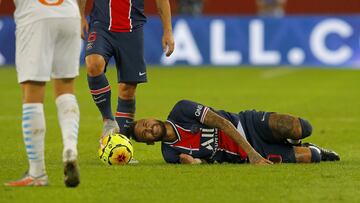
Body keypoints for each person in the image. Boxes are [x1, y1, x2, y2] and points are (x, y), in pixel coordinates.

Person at [5, 0, 86, 187]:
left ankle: (37, 173)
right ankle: (70, 147)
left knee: (32, 92)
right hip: (69, 13)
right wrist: (80, 14)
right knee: (66, 88)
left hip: (35, 15)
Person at [129, 100, 340, 164]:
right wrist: (194, 163)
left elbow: (222, 123)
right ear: (148, 142)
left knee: (301, 127)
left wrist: (253, 154)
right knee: (314, 157)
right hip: (242, 156)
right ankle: (307, 149)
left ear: (150, 118)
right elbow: (204, 163)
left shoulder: (181, 110)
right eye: (144, 134)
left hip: (247, 124)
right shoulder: (170, 154)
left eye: (145, 124)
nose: (148, 129)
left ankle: (295, 140)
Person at [83, 0, 175, 147]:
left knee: (127, 90)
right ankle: (108, 120)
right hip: (101, 26)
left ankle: (121, 145)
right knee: (94, 64)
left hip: (132, 30)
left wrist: (168, 31)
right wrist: (80, 15)